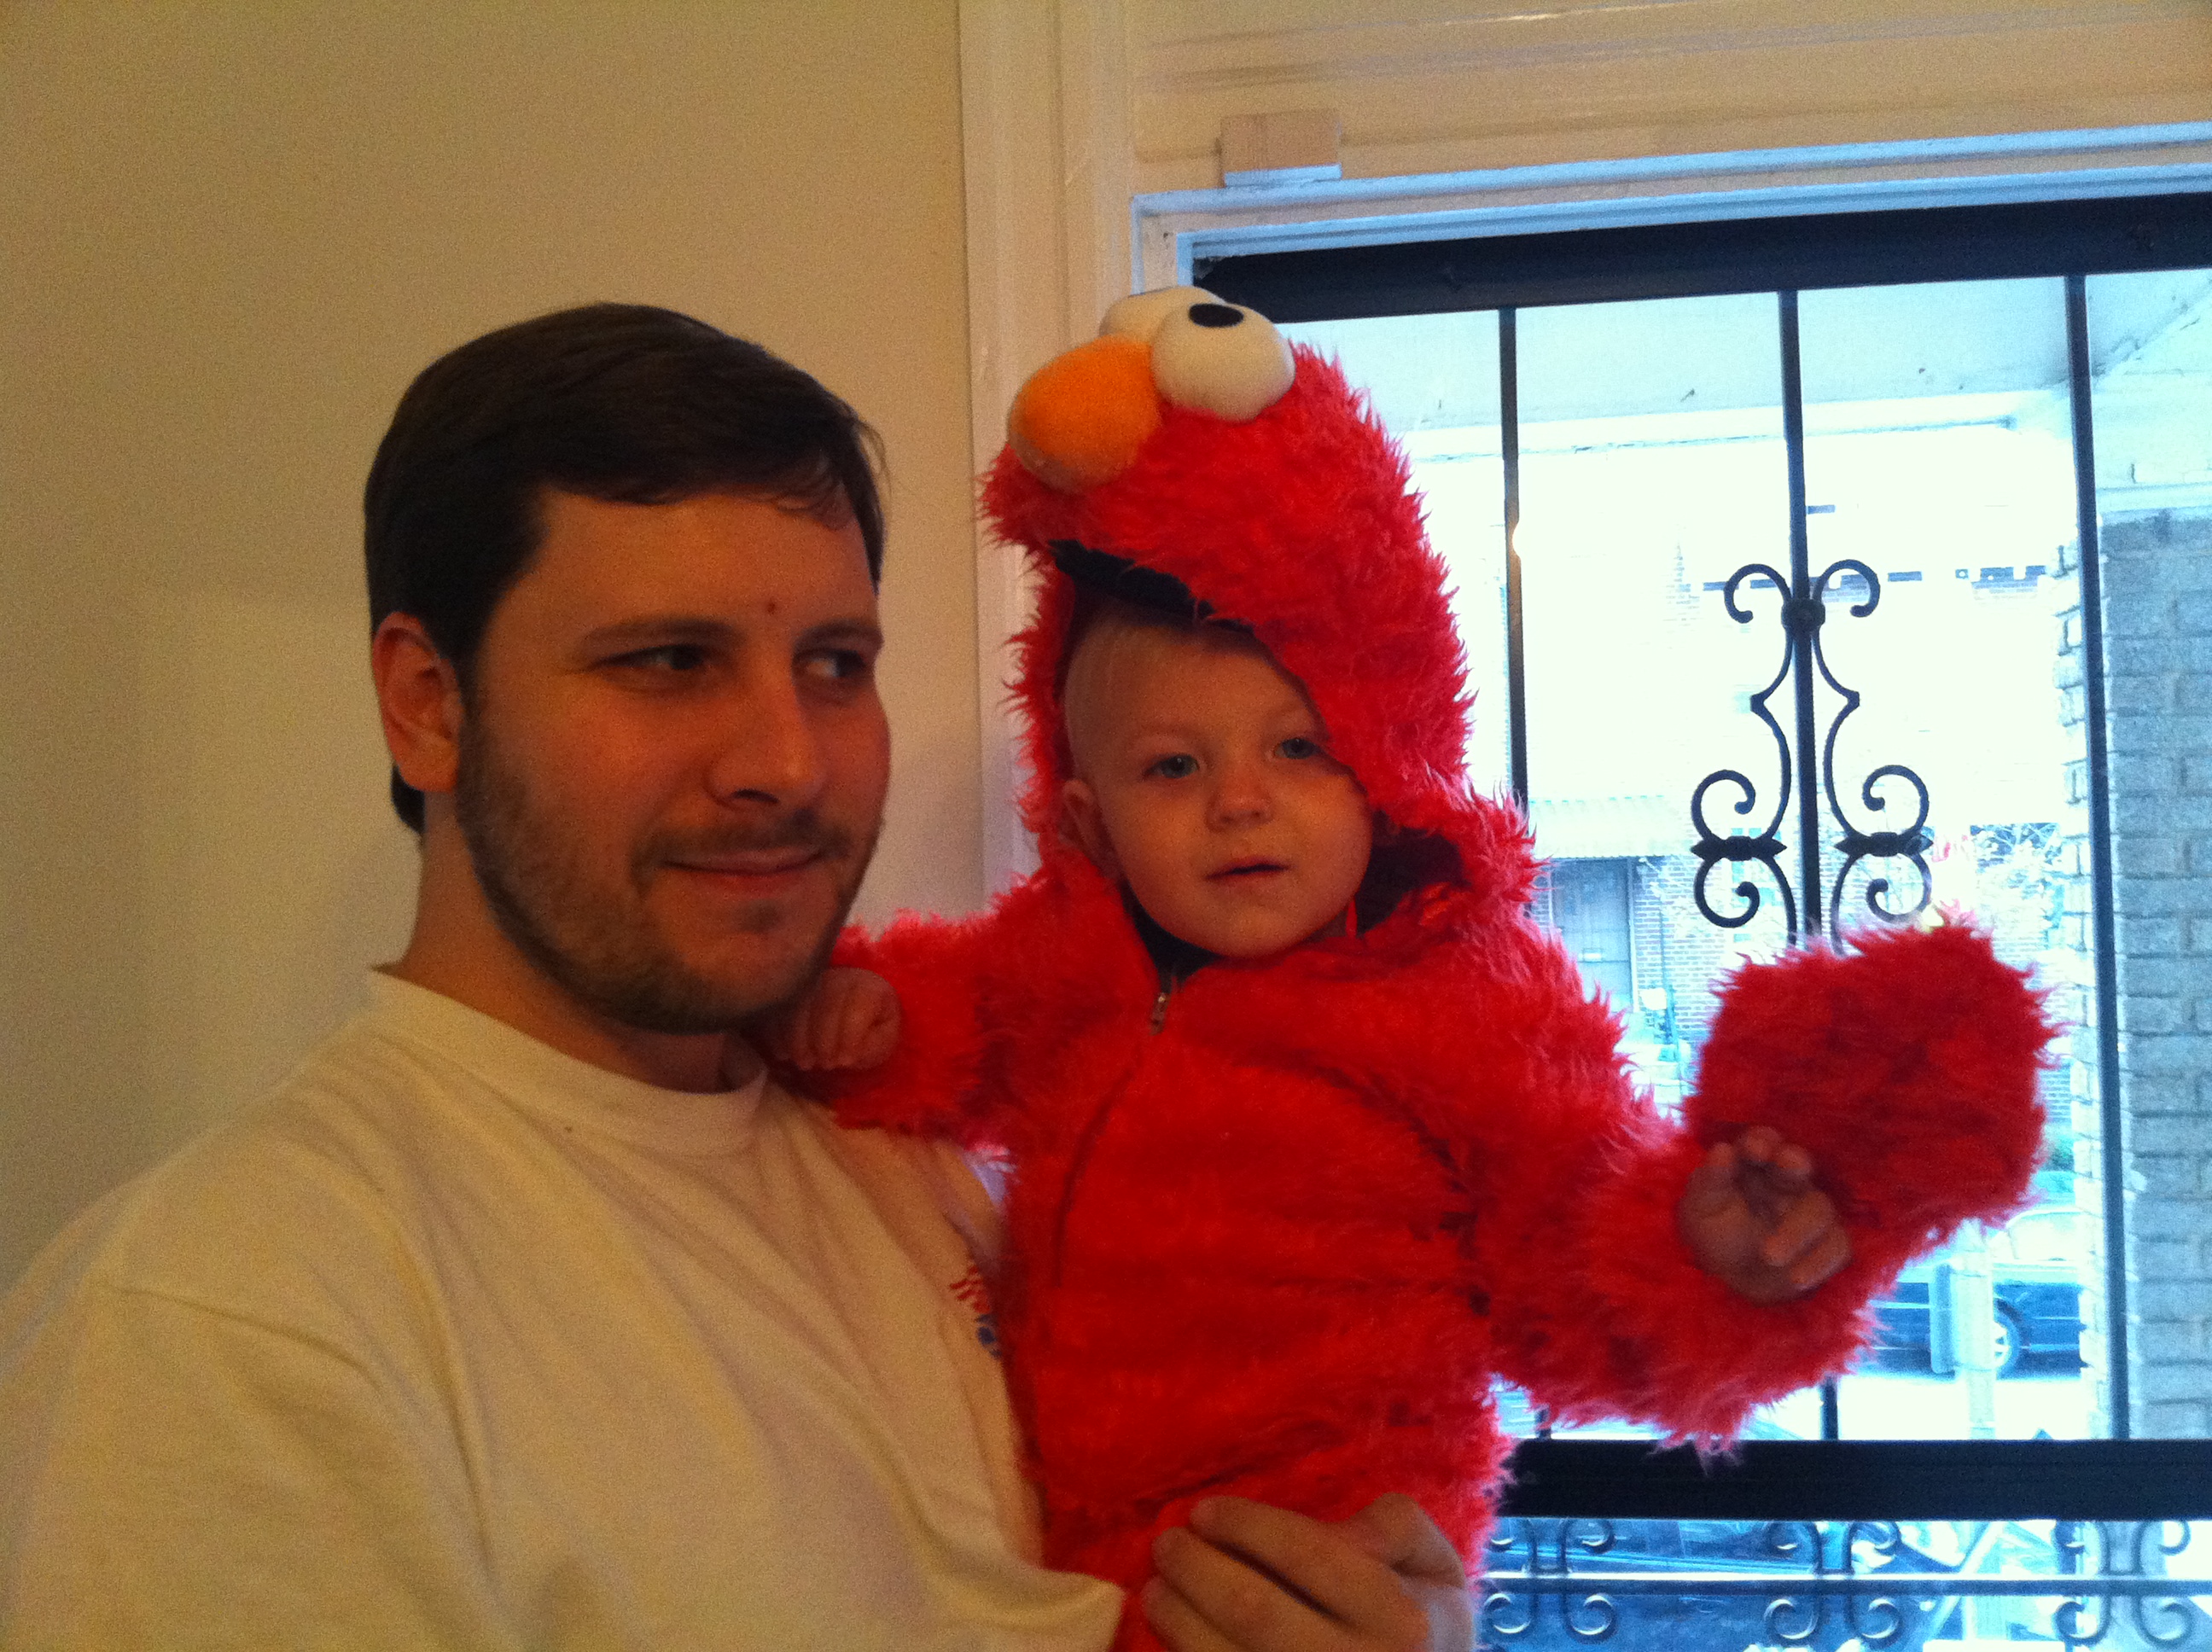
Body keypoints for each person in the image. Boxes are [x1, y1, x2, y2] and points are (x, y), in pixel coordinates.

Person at [0, 303, 1476, 1651]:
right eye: (668, 661)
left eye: (834, 663)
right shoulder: (230, 1317)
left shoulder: (900, 1153)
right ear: (428, 704)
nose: (787, 761)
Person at [767, 288, 2056, 1652]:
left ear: (1383, 768)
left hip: (1333, 1548)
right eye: (1173, 767)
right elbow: (961, 1014)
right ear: (1088, 820)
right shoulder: (1066, 959)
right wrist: (873, 1016)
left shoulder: (1462, 997)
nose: (1240, 801)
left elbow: (1575, 1252)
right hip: (1077, 1539)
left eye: (1299, 749)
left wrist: (1711, 1255)